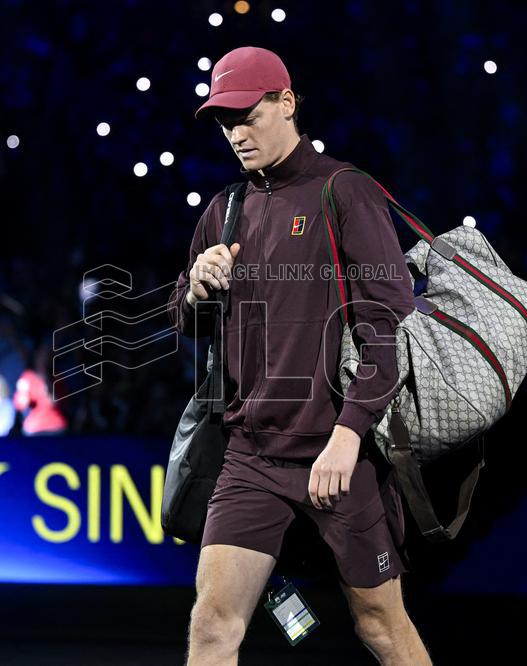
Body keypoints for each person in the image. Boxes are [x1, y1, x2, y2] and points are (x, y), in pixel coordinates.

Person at [167, 46, 431, 664]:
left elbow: (389, 329)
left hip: (338, 453)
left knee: (380, 626)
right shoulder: (225, 210)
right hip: (249, 455)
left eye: (247, 115)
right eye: (224, 121)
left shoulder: (346, 191)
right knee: (212, 626)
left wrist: (349, 433)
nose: (235, 133)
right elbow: (187, 323)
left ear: (287, 103)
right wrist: (195, 290)